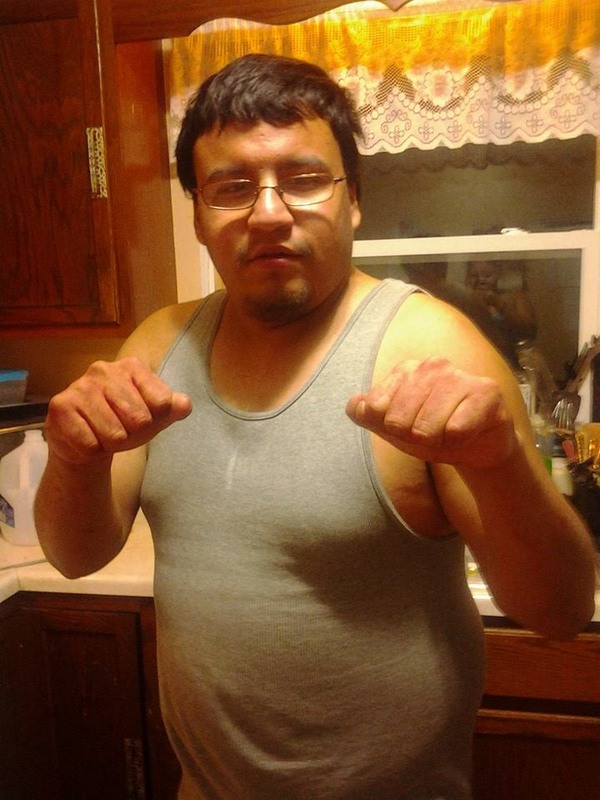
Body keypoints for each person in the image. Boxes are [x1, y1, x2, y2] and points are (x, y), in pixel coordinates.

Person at [34, 54, 596, 800]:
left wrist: (501, 468)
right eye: (232, 187)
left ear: (352, 199)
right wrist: (72, 458)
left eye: (303, 179)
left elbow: (560, 612)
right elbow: (75, 556)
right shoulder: (158, 346)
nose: (269, 212)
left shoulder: (428, 350)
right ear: (199, 215)